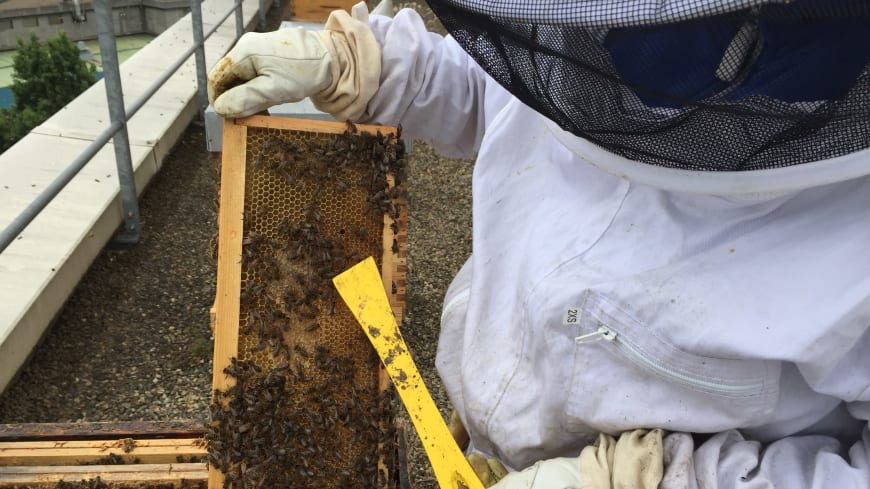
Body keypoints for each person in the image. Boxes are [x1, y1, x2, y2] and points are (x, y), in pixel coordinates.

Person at [208, 1, 870, 487]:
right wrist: (370, 69)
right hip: (482, 459)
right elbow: (509, 91)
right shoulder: (599, 34)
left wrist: (634, 480)